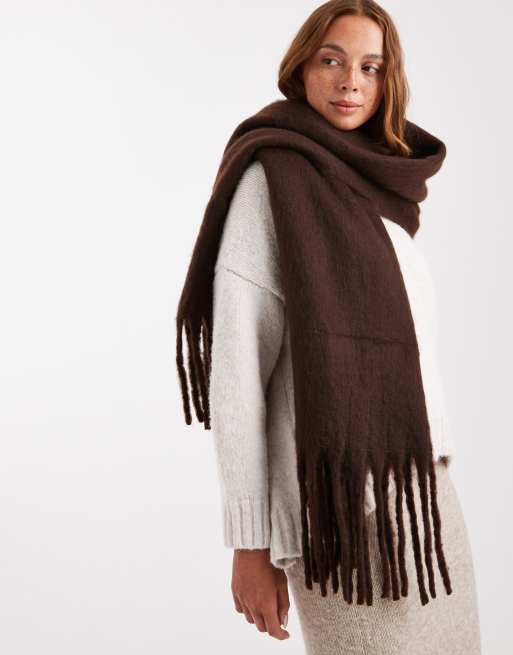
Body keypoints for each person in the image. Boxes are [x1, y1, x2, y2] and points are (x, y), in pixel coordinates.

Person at [181, 1, 482, 652]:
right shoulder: (271, 178)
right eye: (332, 60)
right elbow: (236, 371)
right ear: (301, 68)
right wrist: (250, 543)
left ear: (387, 81)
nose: (351, 82)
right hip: (337, 514)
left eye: (370, 67)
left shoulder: (377, 188)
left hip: (423, 499)